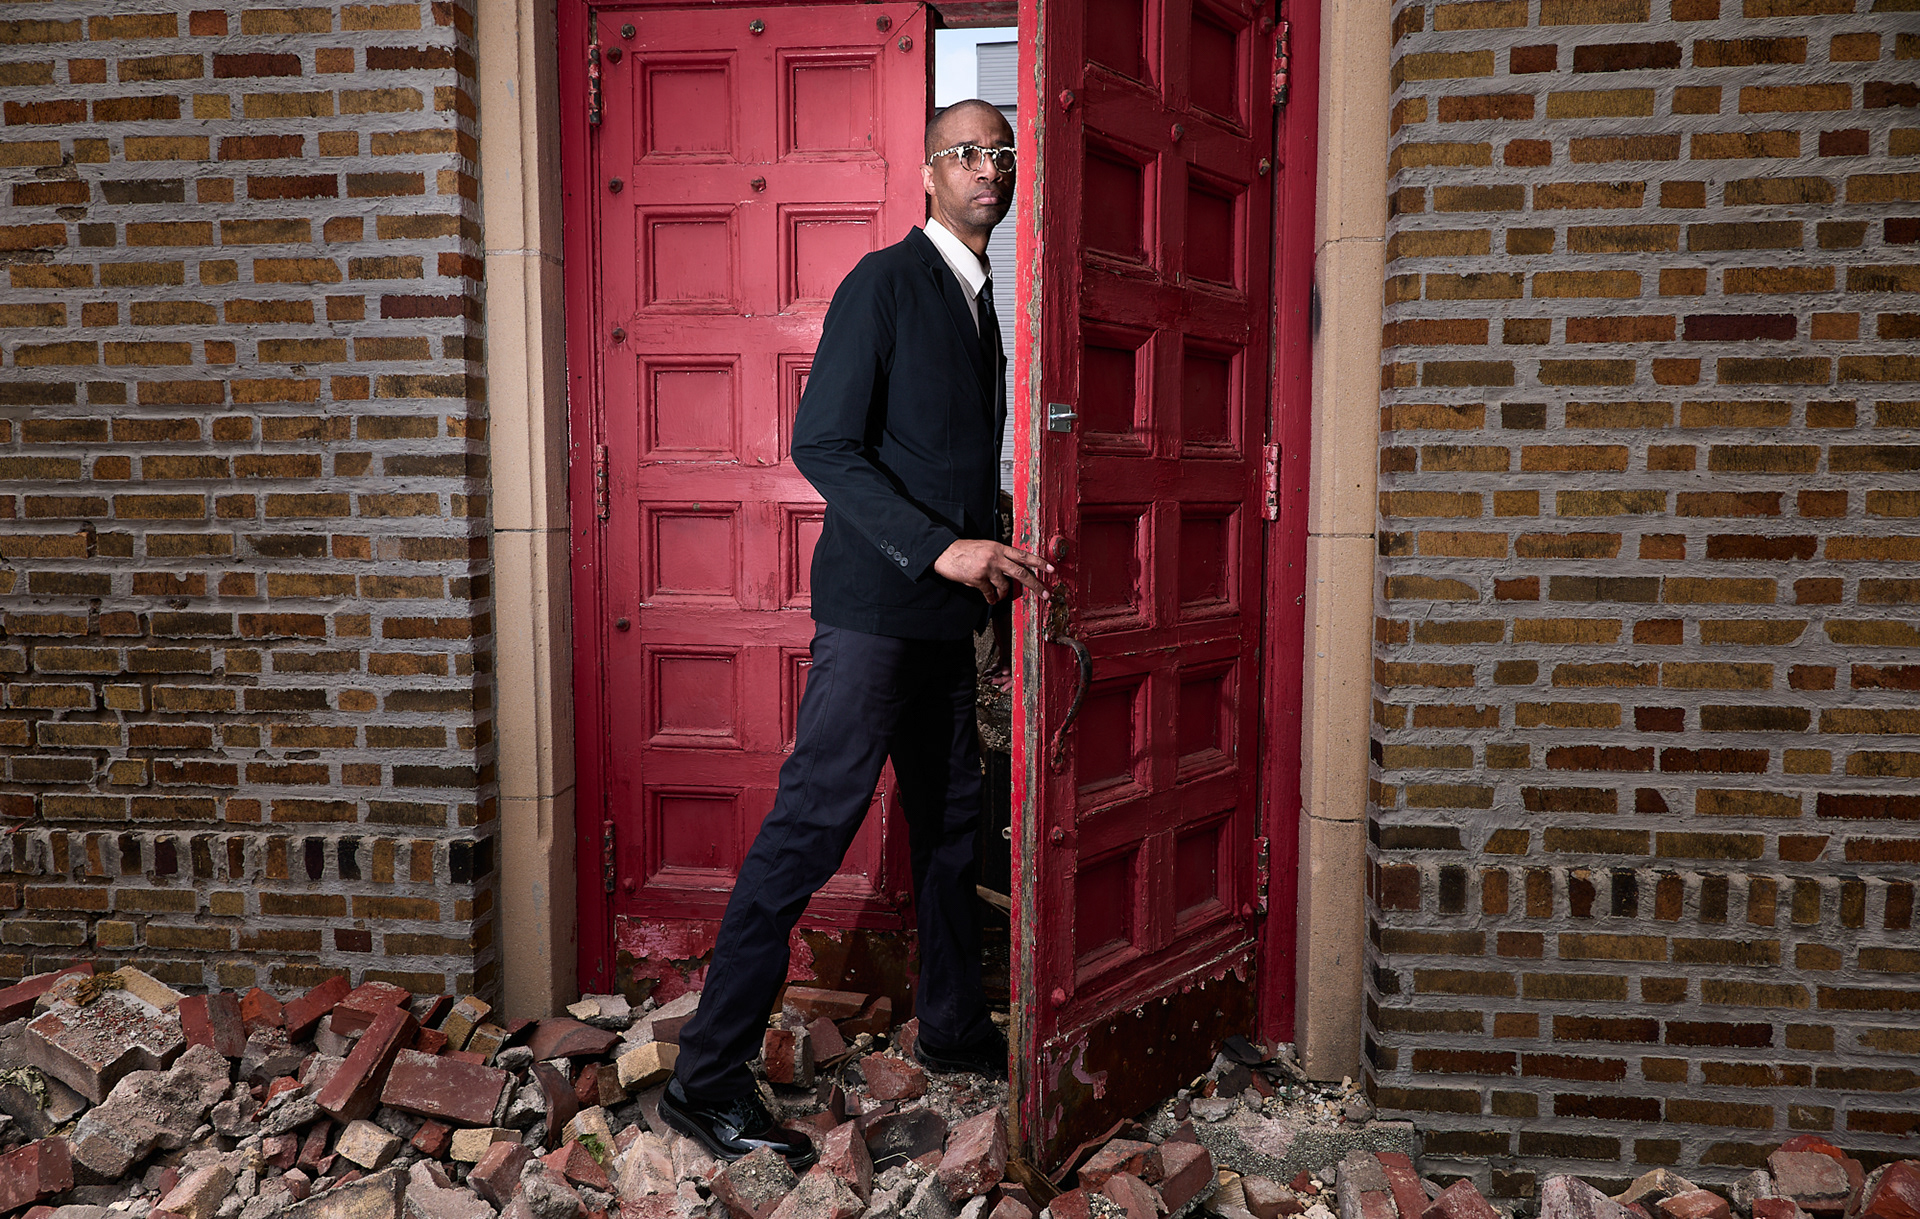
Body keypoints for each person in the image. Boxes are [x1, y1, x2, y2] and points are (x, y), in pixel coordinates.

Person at [657, 100, 1051, 1169]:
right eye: (966, 152)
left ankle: (954, 1025)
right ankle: (704, 1078)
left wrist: (990, 545)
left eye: (1002, 153)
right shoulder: (884, 283)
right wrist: (942, 548)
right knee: (811, 828)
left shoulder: (981, 299)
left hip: (944, 621)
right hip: (876, 616)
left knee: (954, 825)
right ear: (927, 172)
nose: (989, 168)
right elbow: (824, 444)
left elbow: (936, 457)